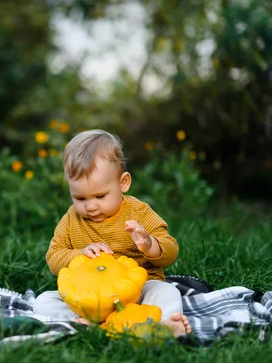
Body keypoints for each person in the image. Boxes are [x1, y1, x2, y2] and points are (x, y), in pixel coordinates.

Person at [33, 129, 192, 337]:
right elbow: (53, 258)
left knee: (166, 291)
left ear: (123, 183)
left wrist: (149, 244)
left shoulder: (139, 212)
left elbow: (171, 251)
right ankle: (86, 324)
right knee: (43, 301)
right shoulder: (71, 220)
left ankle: (165, 324)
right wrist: (80, 253)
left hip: (137, 293)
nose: (90, 206)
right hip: (89, 298)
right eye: (80, 198)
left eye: (100, 196)